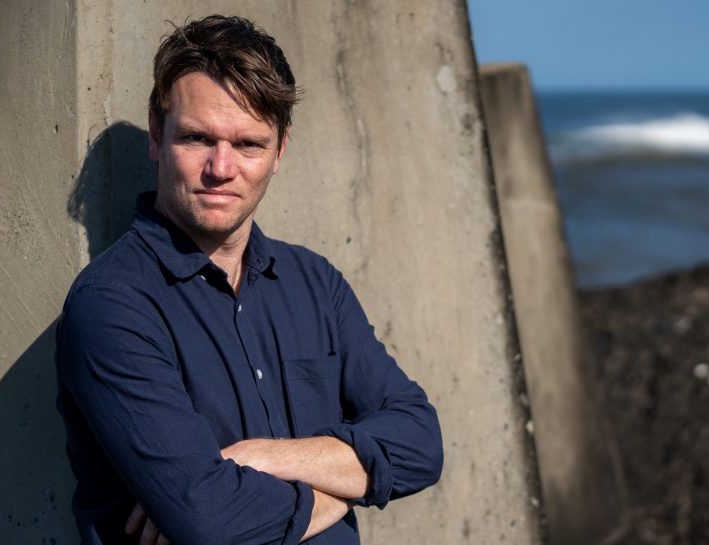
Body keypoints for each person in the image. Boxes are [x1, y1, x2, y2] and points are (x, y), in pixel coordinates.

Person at [55, 14, 443, 545]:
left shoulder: (314, 284)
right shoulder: (112, 306)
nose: (221, 168)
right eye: (197, 138)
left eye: (248, 145)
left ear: (279, 150)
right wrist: (348, 486)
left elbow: (422, 444)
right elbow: (211, 522)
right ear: (156, 136)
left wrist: (263, 457)